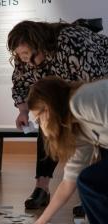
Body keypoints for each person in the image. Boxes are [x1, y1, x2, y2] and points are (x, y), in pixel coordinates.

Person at [7, 20, 108, 212]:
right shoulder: (24, 59)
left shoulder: (71, 42)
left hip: (98, 85)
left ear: (40, 44)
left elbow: (93, 83)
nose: (25, 61)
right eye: (20, 56)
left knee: (97, 134)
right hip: (63, 95)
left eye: (28, 56)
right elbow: (19, 85)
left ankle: (93, 192)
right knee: (47, 126)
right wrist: (23, 111)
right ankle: (41, 188)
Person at [28, 77, 108, 224]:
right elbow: (69, 181)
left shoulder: (81, 101)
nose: (40, 124)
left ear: (48, 108)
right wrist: (42, 221)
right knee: (88, 181)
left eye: (39, 117)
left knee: (92, 181)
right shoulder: (77, 127)